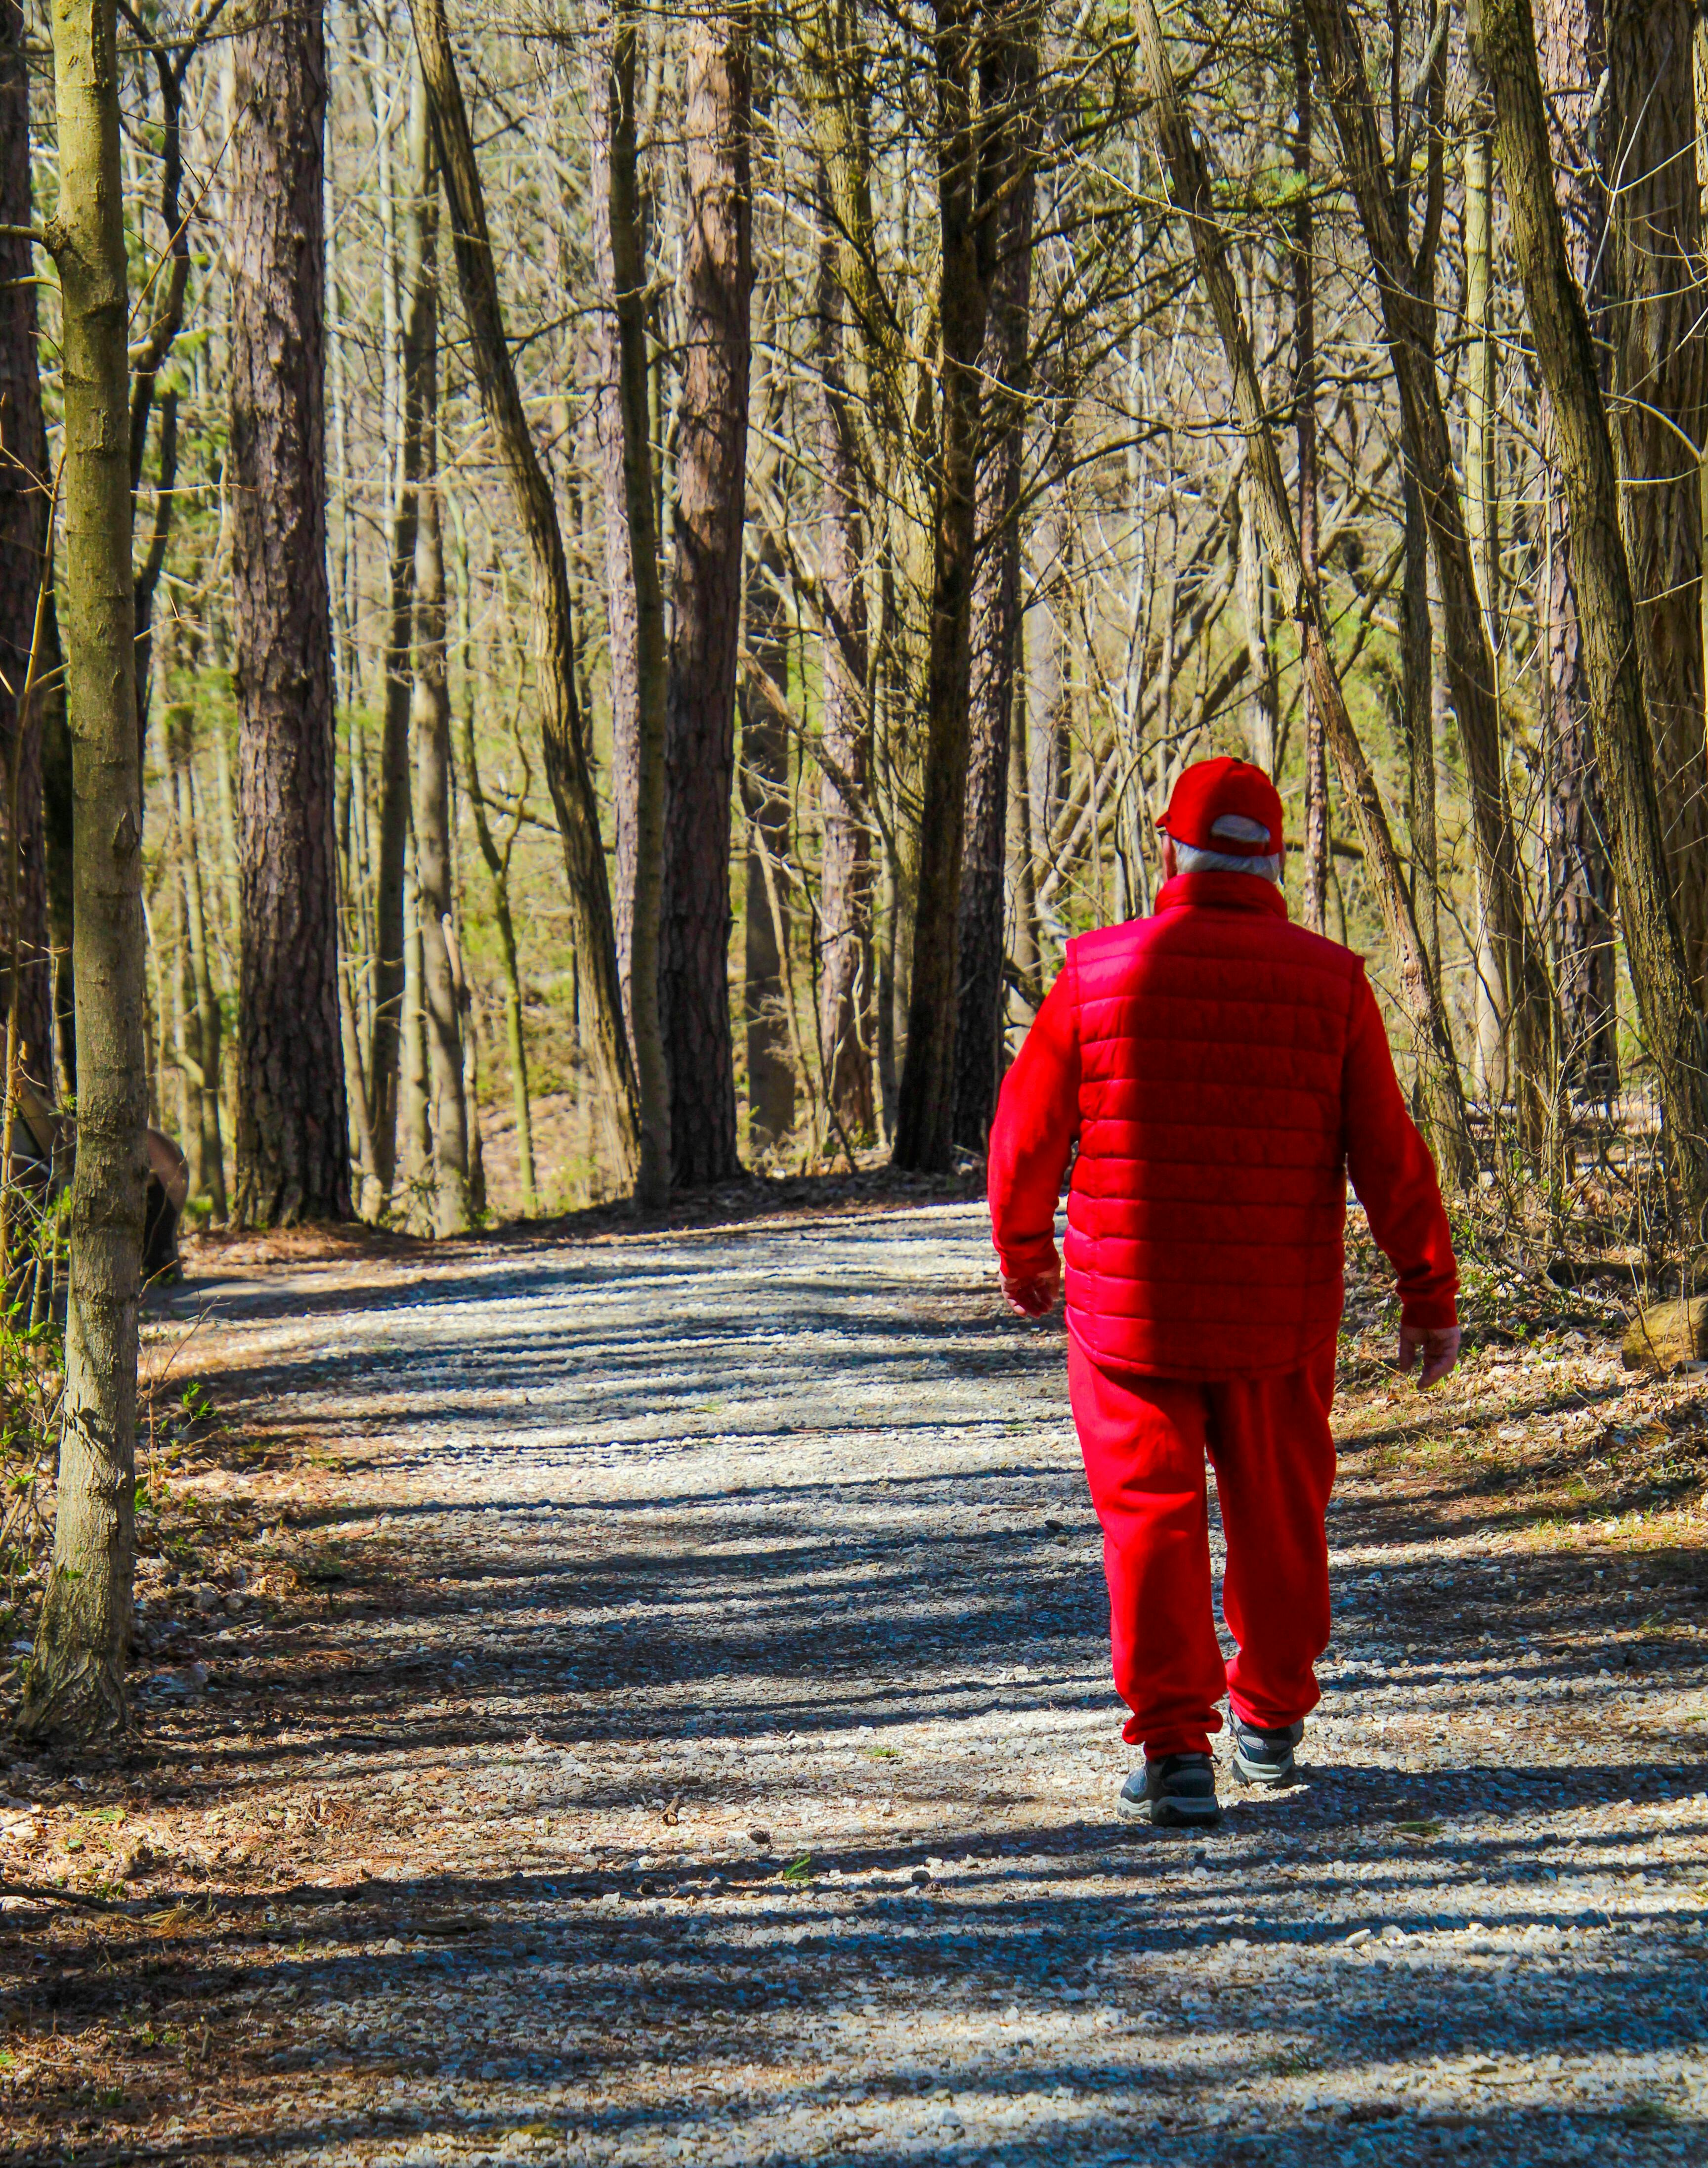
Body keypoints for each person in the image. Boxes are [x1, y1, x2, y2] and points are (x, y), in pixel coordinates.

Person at [987, 756, 1459, 1828]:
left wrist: (1026, 1256)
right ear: (1277, 860)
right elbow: (1390, 1152)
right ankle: (1272, 1719)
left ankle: (1174, 1752)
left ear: (1169, 852)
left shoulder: (1097, 974)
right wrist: (1426, 1289)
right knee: (1281, 1514)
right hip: (1276, 1313)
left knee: (1150, 1522)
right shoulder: (1331, 982)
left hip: (1129, 1314)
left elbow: (1025, 1134)